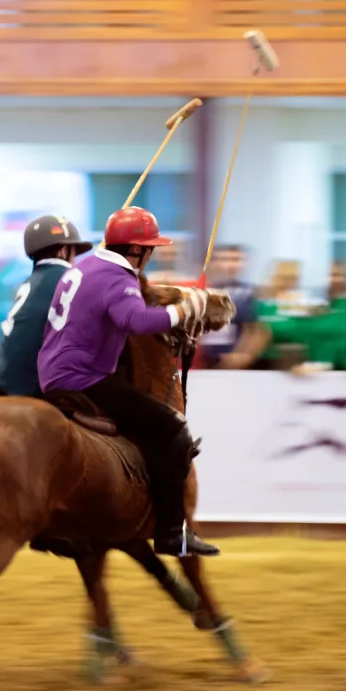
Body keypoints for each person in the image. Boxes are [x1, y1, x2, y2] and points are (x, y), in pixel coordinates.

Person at [37, 206, 218, 558]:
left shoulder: (87, 265)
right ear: (137, 250)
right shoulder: (117, 277)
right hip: (83, 378)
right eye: (150, 248)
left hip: (52, 371)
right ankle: (171, 533)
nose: (150, 255)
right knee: (172, 428)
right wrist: (185, 310)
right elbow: (135, 321)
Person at [0, 215, 92, 397]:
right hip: (34, 389)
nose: (75, 259)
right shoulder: (71, 279)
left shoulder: (30, 282)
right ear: (63, 251)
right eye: (74, 252)